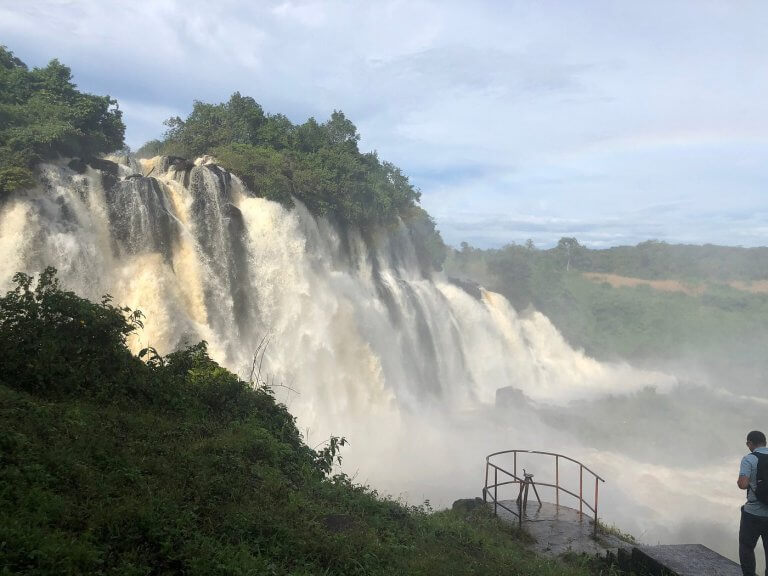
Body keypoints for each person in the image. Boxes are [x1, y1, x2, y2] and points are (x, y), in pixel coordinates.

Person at [738, 430, 768, 576]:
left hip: (753, 514)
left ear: (750, 443)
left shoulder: (749, 459)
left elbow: (743, 484)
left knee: (746, 547)